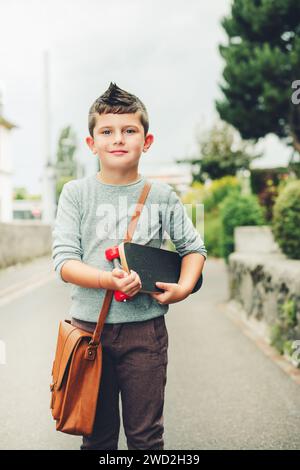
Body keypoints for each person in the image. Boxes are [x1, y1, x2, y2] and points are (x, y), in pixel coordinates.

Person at [52, 82, 207, 450]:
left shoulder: (162, 195)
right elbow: (64, 262)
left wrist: (184, 288)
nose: (117, 139)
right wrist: (108, 280)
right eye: (106, 131)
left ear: (146, 141)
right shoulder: (76, 194)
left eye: (129, 130)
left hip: (146, 332)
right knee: (97, 437)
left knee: (146, 438)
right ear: (92, 144)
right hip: (90, 333)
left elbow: (193, 248)